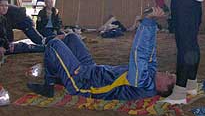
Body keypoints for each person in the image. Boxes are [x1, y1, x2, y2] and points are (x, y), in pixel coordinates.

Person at [27, 7, 176, 100]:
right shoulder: (150, 73)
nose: (167, 72)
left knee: (53, 44)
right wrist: (151, 22)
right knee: (72, 37)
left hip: (83, 82)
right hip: (91, 69)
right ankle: (60, 75)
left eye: (169, 77)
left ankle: (49, 85)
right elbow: (149, 51)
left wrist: (147, 21)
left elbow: (140, 54)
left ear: (162, 88)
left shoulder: (143, 83)